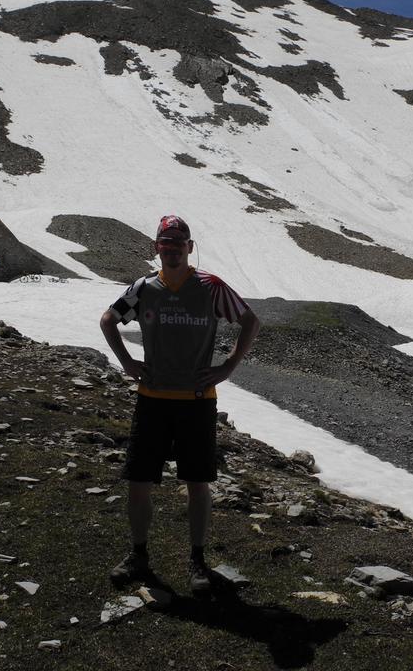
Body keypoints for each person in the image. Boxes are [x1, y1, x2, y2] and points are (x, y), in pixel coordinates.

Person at [100, 214, 259, 593]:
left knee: (197, 482)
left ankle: (197, 561)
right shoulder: (143, 287)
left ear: (190, 247)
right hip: (152, 399)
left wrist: (228, 368)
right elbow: (109, 320)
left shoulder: (211, 287)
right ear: (156, 247)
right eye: (164, 243)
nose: (171, 249)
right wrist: (125, 362)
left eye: (178, 243)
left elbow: (250, 321)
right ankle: (139, 555)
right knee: (139, 481)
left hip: (196, 400)